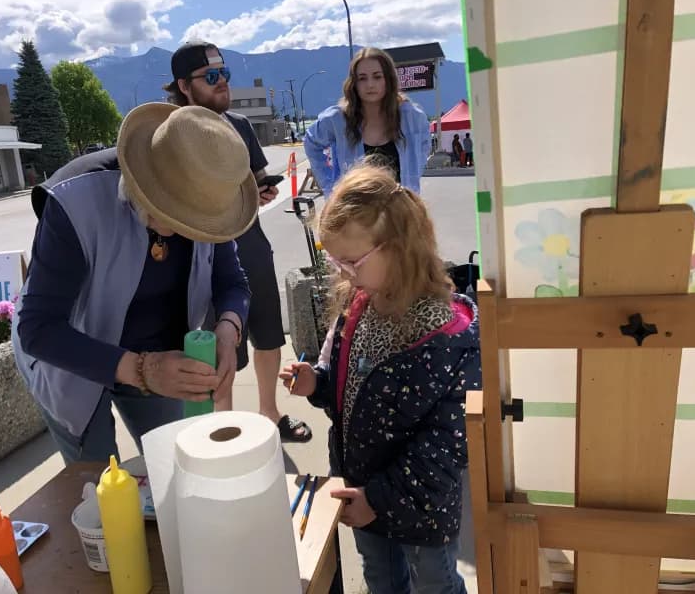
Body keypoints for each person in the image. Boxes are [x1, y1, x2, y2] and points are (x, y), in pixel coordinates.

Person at [12, 103, 256, 464]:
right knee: (99, 485)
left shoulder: (210, 198)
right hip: (74, 357)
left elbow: (233, 283)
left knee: (173, 465)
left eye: (197, 221)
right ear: (143, 182)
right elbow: (37, 328)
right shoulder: (75, 202)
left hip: (163, 352)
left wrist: (227, 330)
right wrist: (142, 369)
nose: (188, 231)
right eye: (175, 215)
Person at [280, 165, 479, 594]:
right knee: (381, 579)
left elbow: (446, 448)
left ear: (400, 249)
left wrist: (380, 499)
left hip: (419, 506)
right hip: (360, 487)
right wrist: (315, 383)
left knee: (434, 583)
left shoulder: (447, 336)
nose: (344, 273)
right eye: (335, 260)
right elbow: (346, 388)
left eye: (352, 261)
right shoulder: (358, 308)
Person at [164, 41, 312, 442]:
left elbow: (258, 181)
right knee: (211, 343)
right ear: (184, 84)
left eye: (224, 73)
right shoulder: (170, 129)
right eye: (211, 77)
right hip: (193, 248)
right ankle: (222, 428)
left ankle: (269, 415)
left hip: (247, 239)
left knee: (267, 330)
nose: (222, 83)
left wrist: (263, 192)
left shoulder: (240, 126)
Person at [303, 47, 430, 198]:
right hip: (356, 215)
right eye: (362, 78)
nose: (370, 84)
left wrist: (411, 177)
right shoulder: (338, 119)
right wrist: (331, 186)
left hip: (402, 212)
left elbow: (423, 147)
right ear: (354, 83)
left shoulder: (412, 118)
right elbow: (311, 142)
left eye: (377, 77)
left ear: (388, 79)